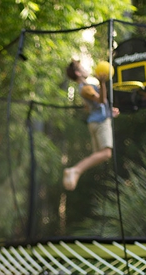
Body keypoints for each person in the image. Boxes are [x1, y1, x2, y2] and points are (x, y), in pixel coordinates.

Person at [63, 59, 120, 191]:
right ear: (78, 72)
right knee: (106, 154)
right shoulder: (86, 88)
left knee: (99, 155)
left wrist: (108, 111)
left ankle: (75, 173)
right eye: (83, 67)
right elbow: (101, 100)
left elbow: (89, 107)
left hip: (95, 121)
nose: (86, 68)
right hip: (100, 122)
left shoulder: (84, 87)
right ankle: (75, 170)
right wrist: (102, 83)